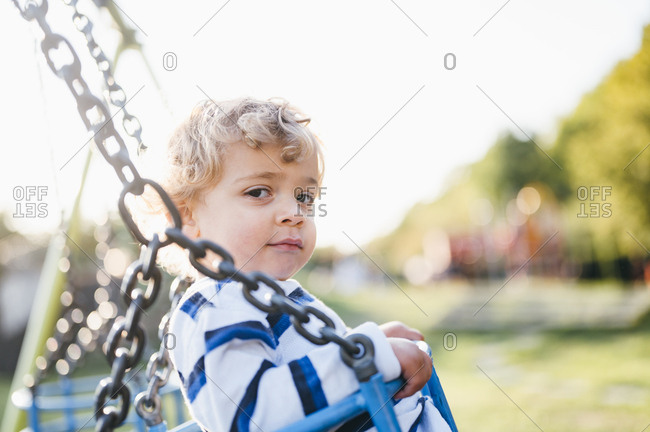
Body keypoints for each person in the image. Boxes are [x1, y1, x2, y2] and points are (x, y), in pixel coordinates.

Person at [142, 97, 452, 432]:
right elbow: (251, 415)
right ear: (187, 216)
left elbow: (309, 371)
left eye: (304, 197)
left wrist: (365, 341)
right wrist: (370, 356)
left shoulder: (264, 298)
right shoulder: (216, 306)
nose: (294, 213)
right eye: (259, 191)